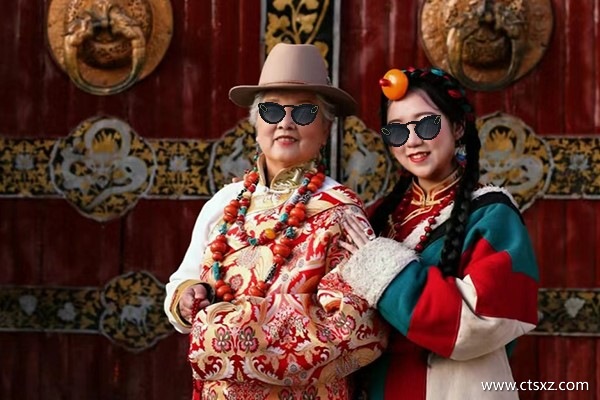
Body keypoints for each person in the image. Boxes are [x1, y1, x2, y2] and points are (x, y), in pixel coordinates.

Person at [164, 43, 387, 400]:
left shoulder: (341, 211)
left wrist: (247, 337)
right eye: (271, 111)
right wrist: (186, 296)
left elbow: (354, 322)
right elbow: (183, 280)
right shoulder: (224, 203)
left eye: (304, 112)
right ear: (256, 125)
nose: (285, 122)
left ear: (326, 127)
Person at [336, 67, 539, 399]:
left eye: (426, 124)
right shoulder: (378, 216)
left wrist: (385, 272)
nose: (412, 141)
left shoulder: (492, 215)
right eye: (397, 131)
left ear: (458, 127)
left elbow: (479, 323)